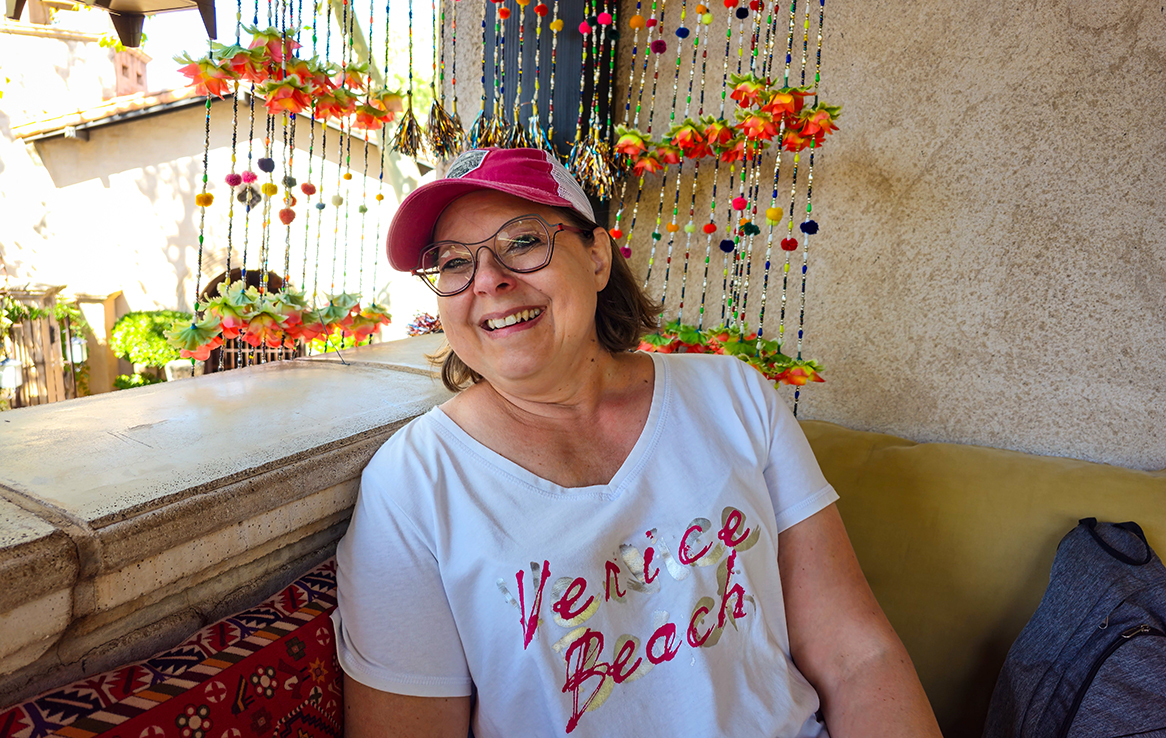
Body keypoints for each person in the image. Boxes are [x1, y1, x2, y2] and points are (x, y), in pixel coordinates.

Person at [333, 148, 942, 738]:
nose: (488, 280)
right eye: (453, 263)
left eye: (522, 241)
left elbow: (857, 658)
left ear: (597, 258)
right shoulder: (413, 484)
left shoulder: (732, 396)